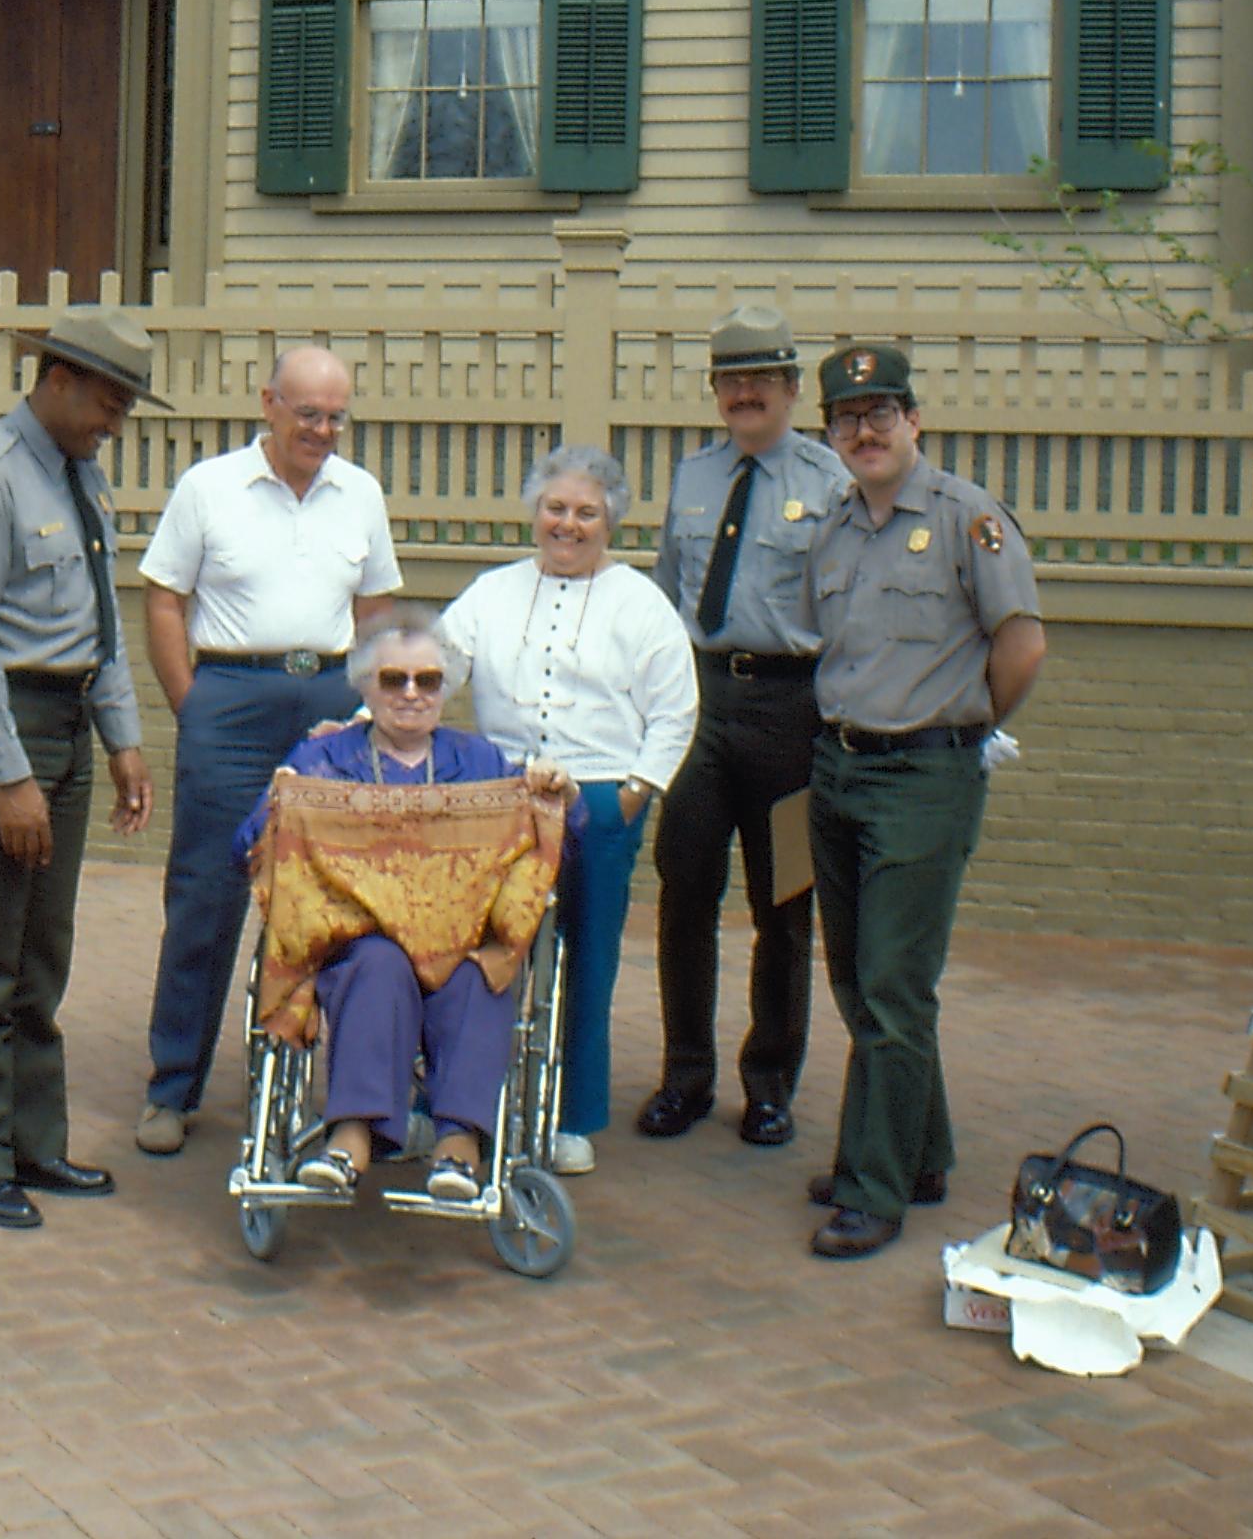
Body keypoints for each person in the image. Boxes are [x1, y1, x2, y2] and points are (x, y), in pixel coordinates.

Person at [797, 342, 1044, 1259]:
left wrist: (966, 730)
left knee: (897, 987)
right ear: (832, 433)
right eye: (847, 420)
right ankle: (919, 1151)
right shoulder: (834, 527)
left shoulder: (967, 520)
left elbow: (1021, 645)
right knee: (863, 979)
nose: (865, 432)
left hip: (924, 778)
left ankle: (875, 1188)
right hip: (841, 770)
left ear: (915, 422)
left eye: (882, 414)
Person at [0, 307, 161, 1231]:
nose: (117, 421)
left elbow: (95, 619)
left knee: (41, 950)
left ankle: (30, 1141)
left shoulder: (81, 477)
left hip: (62, 719)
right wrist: (9, 776)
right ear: (56, 378)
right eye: (109, 399)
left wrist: (123, 736)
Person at [133, 346, 399, 1157]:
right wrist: (195, 706)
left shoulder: (360, 494)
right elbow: (164, 599)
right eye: (307, 413)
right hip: (231, 701)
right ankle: (172, 1088)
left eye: (335, 416)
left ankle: (320, 1088)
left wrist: (364, 712)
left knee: (337, 899)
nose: (322, 430)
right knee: (207, 897)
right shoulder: (208, 487)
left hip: (328, 703)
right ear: (269, 404)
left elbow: (377, 609)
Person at [231, 611, 573, 1200]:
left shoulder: (483, 763)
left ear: (447, 689)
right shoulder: (323, 758)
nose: (412, 694)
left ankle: (459, 1148)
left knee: (483, 971)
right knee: (381, 963)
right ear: (367, 685)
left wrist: (556, 793)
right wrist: (278, 805)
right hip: (358, 947)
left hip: (458, 942)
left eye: (428, 681)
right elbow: (249, 842)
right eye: (394, 680)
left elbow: (563, 832)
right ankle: (351, 1139)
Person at [435, 444, 697, 1176]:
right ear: (534, 511)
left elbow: (675, 712)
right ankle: (457, 1102)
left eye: (586, 512)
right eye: (556, 508)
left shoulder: (641, 604)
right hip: (502, 801)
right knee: (475, 951)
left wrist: (634, 793)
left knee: (588, 958)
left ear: (610, 519)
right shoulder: (491, 591)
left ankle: (571, 1115)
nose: (568, 524)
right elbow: (434, 668)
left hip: (599, 801)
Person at [637, 304, 850, 1150]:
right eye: (731, 380)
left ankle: (769, 1085)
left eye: (762, 379)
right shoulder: (693, 478)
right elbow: (662, 599)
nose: (745, 393)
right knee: (683, 893)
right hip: (699, 705)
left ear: (793, 389)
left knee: (786, 906)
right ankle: (685, 1076)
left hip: (793, 716)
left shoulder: (830, 484)